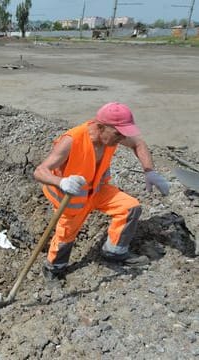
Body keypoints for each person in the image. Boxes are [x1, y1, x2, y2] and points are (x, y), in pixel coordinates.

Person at [33, 102, 170, 281]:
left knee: (130, 207)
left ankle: (114, 252)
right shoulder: (72, 140)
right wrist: (62, 182)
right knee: (66, 235)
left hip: (97, 188)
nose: (121, 139)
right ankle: (53, 270)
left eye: (123, 134)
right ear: (100, 127)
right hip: (71, 196)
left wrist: (149, 170)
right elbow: (39, 171)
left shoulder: (111, 136)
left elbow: (138, 143)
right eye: (117, 133)